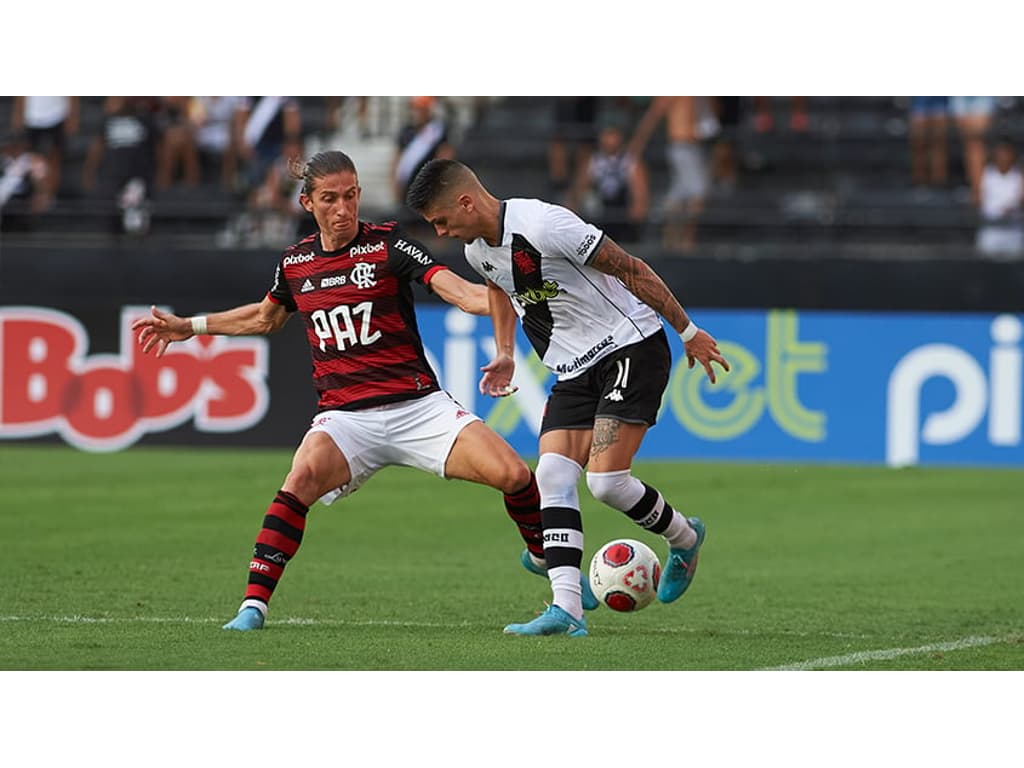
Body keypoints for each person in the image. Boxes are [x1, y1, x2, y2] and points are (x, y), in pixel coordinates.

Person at [131, 150, 596, 631]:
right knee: (301, 478)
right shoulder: (296, 264)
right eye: (330, 199)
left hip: (419, 408)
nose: (343, 209)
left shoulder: (388, 245)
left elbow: (459, 292)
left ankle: (551, 561)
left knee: (514, 473)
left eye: (351, 196)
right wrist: (191, 325)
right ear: (307, 202)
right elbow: (265, 317)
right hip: (346, 418)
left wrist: (517, 294)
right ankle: (253, 606)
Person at [406, 159, 730, 637]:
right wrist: (504, 352)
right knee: (553, 475)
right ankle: (567, 610)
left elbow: (630, 268)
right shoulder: (478, 251)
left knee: (606, 483)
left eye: (440, 219)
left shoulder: (545, 224)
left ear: (466, 202)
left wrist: (688, 331)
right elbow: (499, 288)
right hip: (573, 369)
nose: (440, 230)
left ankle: (684, 537)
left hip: (630, 346)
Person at [975, 136, 1023, 258]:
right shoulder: (986, 173)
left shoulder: (1019, 176)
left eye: (1007, 153)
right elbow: (977, 199)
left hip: (1014, 228)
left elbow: (1021, 200)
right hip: (990, 227)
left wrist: (1013, 208)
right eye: (1001, 153)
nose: (1003, 157)